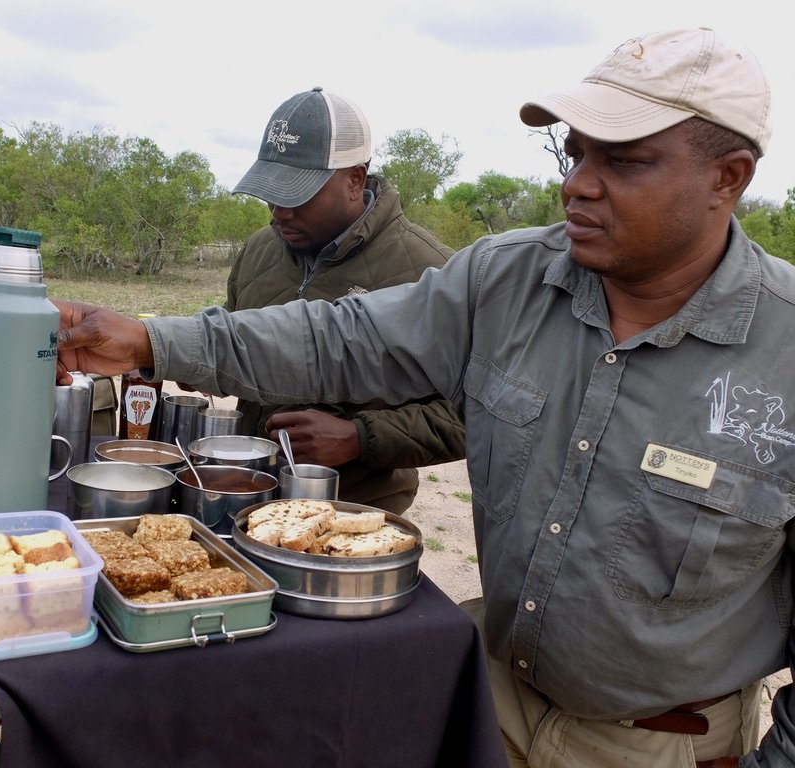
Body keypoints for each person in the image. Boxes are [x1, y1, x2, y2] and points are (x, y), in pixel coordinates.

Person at [54, 27, 794, 768]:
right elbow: (336, 339)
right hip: (483, 698)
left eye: (625, 161)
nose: (578, 184)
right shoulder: (503, 280)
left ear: (727, 178)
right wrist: (149, 340)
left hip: (661, 746)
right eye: (577, 154)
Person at [226, 86, 465, 513]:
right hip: (248, 491)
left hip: (353, 511)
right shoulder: (260, 248)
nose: (279, 211)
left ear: (354, 179)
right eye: (271, 190)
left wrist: (359, 437)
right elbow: (235, 341)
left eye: (297, 192)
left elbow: (475, 415)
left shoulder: (431, 272)